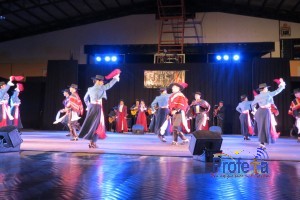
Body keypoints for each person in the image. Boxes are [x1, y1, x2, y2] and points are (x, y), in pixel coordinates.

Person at [79, 72, 120, 148]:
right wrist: (115, 79)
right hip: (97, 108)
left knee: (92, 124)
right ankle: (92, 142)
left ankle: (92, 142)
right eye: (101, 81)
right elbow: (109, 85)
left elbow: (85, 99)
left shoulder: (89, 89)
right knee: (98, 125)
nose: (103, 82)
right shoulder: (101, 87)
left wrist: (88, 105)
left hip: (91, 107)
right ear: (97, 81)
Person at [251, 78, 286, 149]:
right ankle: (263, 142)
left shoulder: (257, 96)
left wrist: (254, 111)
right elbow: (278, 91)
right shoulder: (268, 94)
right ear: (264, 89)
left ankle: (262, 142)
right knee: (266, 127)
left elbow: (252, 104)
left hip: (259, 111)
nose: (267, 88)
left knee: (261, 127)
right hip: (266, 112)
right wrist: (282, 84)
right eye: (266, 88)